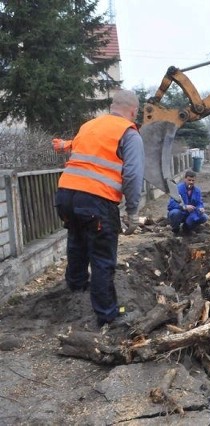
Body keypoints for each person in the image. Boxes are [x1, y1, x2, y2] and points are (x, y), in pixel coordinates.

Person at [53, 89, 144, 328]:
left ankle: (76, 289)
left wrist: (64, 145)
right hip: (96, 199)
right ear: (133, 111)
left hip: (65, 194)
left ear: (113, 106)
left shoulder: (90, 125)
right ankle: (108, 315)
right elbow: (133, 175)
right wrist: (132, 211)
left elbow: (79, 150)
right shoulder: (129, 133)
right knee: (102, 256)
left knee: (77, 239)